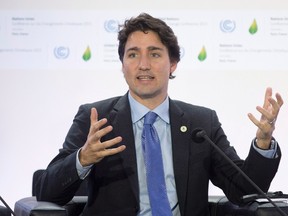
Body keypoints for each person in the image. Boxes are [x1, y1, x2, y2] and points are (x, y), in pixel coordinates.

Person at [35, 13, 284, 216]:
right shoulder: (96, 118)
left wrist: (263, 143)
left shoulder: (201, 122)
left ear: (172, 63)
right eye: (133, 54)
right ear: (122, 64)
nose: (143, 64)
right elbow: (47, 192)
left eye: (154, 54)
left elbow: (244, 190)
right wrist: (83, 158)